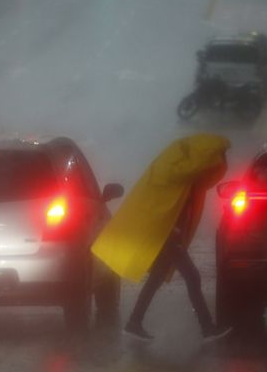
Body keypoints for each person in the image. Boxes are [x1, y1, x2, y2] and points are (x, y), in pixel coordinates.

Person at [91, 133, 231, 343]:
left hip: (169, 234)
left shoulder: (190, 178)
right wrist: (173, 229)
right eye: (216, 155)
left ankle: (134, 323)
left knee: (156, 278)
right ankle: (207, 328)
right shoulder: (175, 172)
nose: (219, 159)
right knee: (192, 276)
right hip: (166, 234)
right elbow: (170, 202)